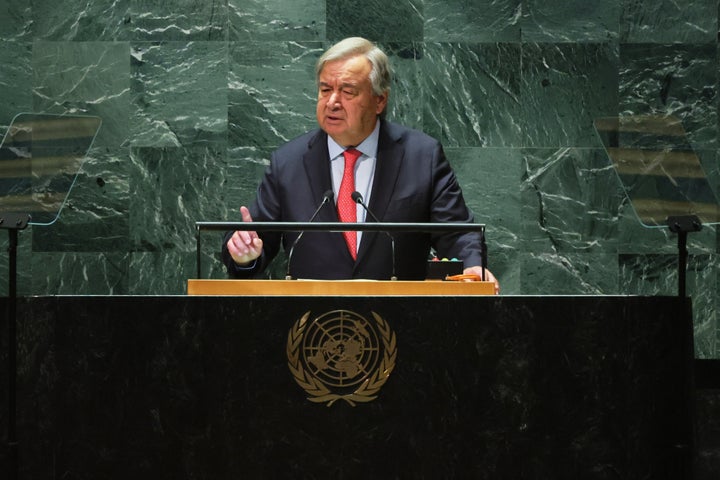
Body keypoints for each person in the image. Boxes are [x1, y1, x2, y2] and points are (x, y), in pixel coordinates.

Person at [222, 37, 499, 293]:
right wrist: (244, 254)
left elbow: (458, 233)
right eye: (325, 89)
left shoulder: (421, 156)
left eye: (347, 91)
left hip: (404, 322)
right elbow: (254, 243)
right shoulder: (288, 162)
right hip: (313, 326)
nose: (332, 102)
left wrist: (473, 266)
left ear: (380, 100)